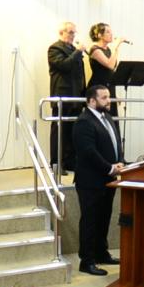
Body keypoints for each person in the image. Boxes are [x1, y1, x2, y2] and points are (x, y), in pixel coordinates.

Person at [72, 85, 123, 275]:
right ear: (92, 101)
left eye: (108, 97)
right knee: (90, 220)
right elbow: (88, 152)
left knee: (104, 218)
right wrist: (110, 167)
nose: (108, 101)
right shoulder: (84, 122)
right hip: (90, 181)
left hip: (108, 179)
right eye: (104, 98)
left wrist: (120, 161)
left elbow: (114, 142)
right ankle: (87, 261)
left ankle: (102, 253)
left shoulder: (106, 116)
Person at [47, 21, 86, 173]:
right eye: (70, 32)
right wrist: (78, 52)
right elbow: (64, 65)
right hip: (62, 96)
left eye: (74, 33)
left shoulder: (73, 49)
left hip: (76, 97)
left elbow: (79, 74)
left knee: (73, 131)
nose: (72, 35)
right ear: (61, 32)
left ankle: (70, 161)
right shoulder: (55, 48)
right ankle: (56, 164)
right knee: (59, 131)